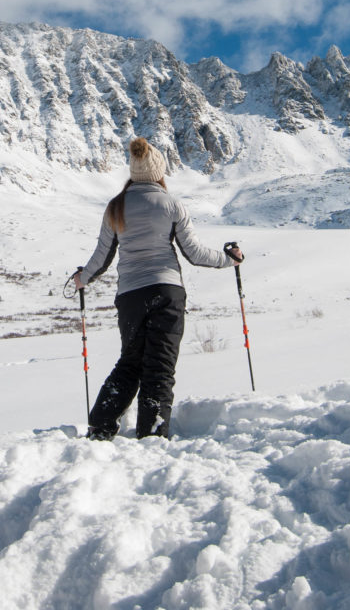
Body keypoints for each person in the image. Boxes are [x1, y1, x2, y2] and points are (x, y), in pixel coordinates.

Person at [72, 137, 244, 441]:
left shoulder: (116, 207)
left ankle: (100, 426)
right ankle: (152, 436)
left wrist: (82, 279)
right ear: (158, 171)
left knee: (129, 363)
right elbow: (194, 253)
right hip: (167, 293)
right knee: (159, 368)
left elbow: (102, 257)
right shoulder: (171, 204)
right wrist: (228, 260)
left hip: (130, 297)